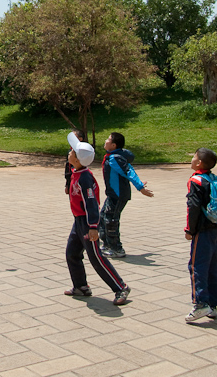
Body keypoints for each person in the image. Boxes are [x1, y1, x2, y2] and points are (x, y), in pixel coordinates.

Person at [64, 131, 130, 305]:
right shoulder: (77, 172)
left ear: (77, 159)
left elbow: (92, 203)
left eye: (72, 152)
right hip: (78, 221)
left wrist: (93, 227)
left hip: (87, 223)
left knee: (96, 257)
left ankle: (120, 287)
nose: (69, 152)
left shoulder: (84, 178)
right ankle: (81, 286)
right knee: (72, 253)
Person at [99, 132, 154, 258]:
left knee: (111, 220)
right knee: (103, 217)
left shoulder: (115, 158)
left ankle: (117, 249)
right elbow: (129, 168)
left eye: (108, 139)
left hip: (118, 196)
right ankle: (107, 245)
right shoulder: (114, 156)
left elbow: (129, 172)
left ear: (113, 145)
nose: (105, 140)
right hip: (113, 194)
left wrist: (140, 187)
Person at [185, 147, 217, 323]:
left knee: (197, 267)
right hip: (216, 228)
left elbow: (192, 208)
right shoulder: (212, 178)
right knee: (212, 266)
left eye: (194, 157)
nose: (191, 159)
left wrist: (189, 230)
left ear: (199, 163)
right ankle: (212, 305)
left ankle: (200, 304)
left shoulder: (195, 181)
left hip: (202, 230)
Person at [64, 129, 85, 194]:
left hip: (78, 179)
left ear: (80, 139)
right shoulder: (70, 151)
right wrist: (67, 184)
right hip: (71, 179)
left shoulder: (82, 152)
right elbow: (68, 168)